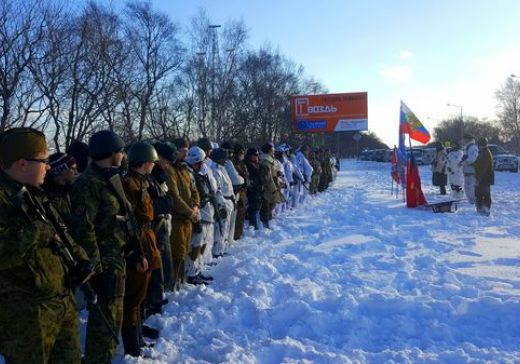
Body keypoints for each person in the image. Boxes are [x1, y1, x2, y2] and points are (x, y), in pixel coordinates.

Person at [0, 127, 92, 364]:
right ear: (22, 163)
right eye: (43, 161)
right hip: (28, 317)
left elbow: (59, 229)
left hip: (61, 301)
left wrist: (79, 257)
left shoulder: (34, 193)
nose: (48, 166)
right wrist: (37, 231)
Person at [69, 130, 148, 364]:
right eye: (121, 151)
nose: (123, 156)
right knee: (103, 325)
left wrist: (135, 250)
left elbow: (125, 217)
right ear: (112, 153)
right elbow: (84, 230)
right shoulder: (88, 184)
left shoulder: (111, 178)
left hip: (118, 259)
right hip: (103, 265)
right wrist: (95, 271)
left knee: (114, 318)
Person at [121, 142, 162, 356]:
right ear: (145, 162)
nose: (154, 165)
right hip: (139, 239)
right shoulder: (129, 184)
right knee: (133, 296)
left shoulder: (142, 181)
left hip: (148, 237)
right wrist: (136, 251)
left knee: (141, 293)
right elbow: (130, 220)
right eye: (152, 162)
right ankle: (132, 345)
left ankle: (137, 336)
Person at [170, 138, 200, 290]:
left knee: (185, 251)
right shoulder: (171, 170)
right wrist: (190, 212)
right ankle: (174, 286)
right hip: (177, 219)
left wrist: (195, 206)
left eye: (187, 151)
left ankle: (182, 282)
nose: (185, 154)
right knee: (177, 254)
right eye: (183, 151)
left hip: (188, 218)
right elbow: (175, 198)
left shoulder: (185, 170)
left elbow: (194, 191)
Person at [473, 137, 494, 215]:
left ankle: (485, 209)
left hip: (484, 177)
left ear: (480, 144)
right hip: (483, 177)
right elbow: (478, 164)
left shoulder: (485, 153)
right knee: (479, 193)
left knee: (484, 194)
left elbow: (482, 168)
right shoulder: (483, 152)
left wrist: (478, 179)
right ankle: (481, 209)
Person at [460, 133, 479, 204]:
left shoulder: (473, 147)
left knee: (471, 187)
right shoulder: (467, 147)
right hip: (467, 170)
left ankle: (473, 200)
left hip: (472, 170)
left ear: (468, 139)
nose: (463, 140)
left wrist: (464, 162)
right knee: (467, 187)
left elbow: (473, 158)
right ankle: (471, 200)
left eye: (464, 139)